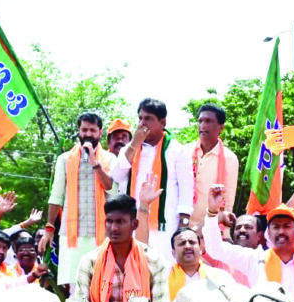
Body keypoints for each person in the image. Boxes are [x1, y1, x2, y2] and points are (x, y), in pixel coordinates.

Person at [202, 184, 294, 302]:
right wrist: (212, 213)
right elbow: (215, 248)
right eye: (276, 227)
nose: (281, 231)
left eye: (287, 226)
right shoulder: (255, 259)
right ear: (268, 233)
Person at [40, 113, 116, 289]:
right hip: (72, 232)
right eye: (84, 130)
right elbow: (56, 195)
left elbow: (111, 189)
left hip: (101, 231)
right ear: (79, 132)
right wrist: (49, 228)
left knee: (102, 283)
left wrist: (95, 163)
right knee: (76, 287)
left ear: (100, 132)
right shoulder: (65, 159)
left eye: (92, 130)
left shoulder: (110, 160)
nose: (88, 134)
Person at [111, 98, 194, 261]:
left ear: (162, 122)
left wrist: (183, 226)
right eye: (140, 118)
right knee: (132, 267)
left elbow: (186, 190)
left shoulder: (177, 150)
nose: (142, 123)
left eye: (148, 118)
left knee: (161, 269)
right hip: (131, 221)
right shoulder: (131, 148)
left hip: (164, 225)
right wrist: (135, 142)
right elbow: (117, 175)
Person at [185, 104, 239, 229]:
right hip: (181, 224)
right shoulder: (185, 151)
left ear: (221, 128)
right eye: (200, 121)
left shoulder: (229, 158)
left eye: (208, 121)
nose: (203, 125)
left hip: (210, 227)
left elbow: (228, 200)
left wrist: (225, 233)